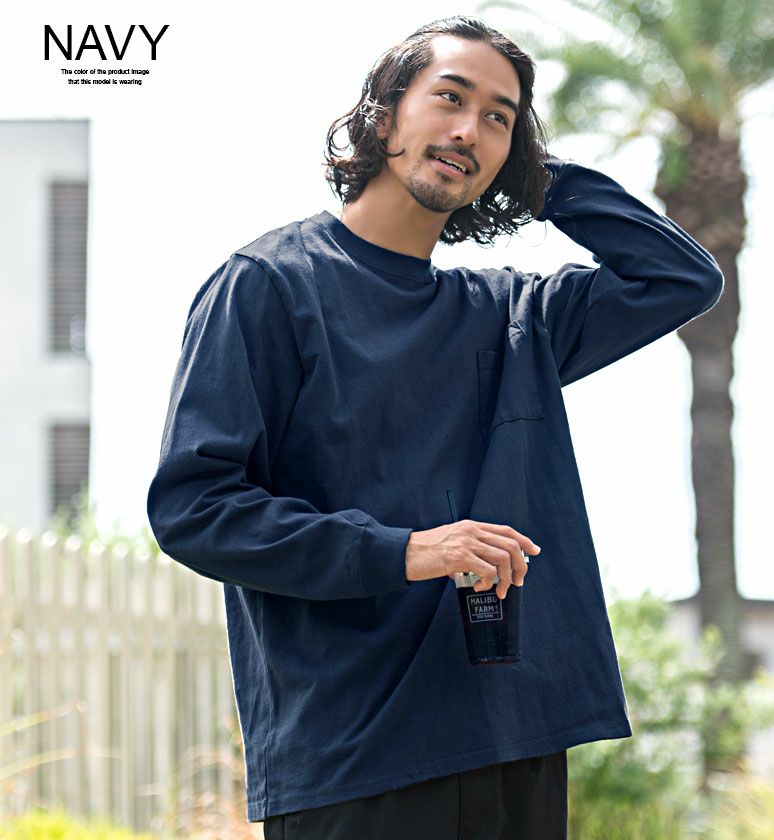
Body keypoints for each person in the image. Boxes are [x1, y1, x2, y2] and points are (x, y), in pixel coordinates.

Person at [146, 15, 724, 840]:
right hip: (358, 754)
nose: (469, 130)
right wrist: (408, 550)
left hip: (515, 736)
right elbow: (195, 509)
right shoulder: (268, 286)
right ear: (384, 114)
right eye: (449, 98)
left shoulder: (514, 317)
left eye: (499, 118)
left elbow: (680, 277)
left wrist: (537, 177)